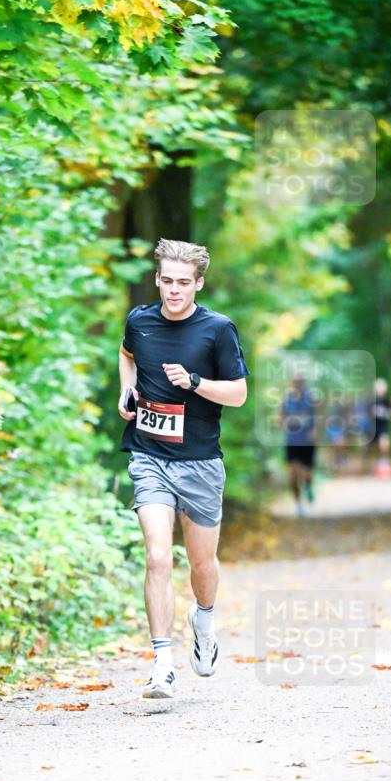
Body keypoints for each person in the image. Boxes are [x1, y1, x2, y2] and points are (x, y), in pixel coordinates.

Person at [118, 238, 250, 699]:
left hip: (200, 462)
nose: (174, 291)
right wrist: (126, 391)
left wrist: (194, 383)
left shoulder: (217, 330)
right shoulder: (140, 321)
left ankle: (205, 620)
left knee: (201, 564)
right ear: (157, 279)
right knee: (156, 555)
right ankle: (162, 664)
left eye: (183, 283)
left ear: (198, 284)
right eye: (167, 281)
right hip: (149, 455)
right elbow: (127, 353)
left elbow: (238, 394)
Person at [280, 374, 317, 517]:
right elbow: (280, 418)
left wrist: (314, 431)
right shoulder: (287, 400)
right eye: (295, 382)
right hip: (292, 441)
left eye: (300, 382)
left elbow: (319, 416)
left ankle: (308, 485)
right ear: (291, 383)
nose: (298, 384)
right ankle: (299, 504)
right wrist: (285, 423)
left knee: (307, 474)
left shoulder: (311, 398)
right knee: (293, 476)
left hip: (307, 442)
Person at [371, 378, 391, 478]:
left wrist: (383, 413)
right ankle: (377, 466)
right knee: (375, 447)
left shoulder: (388, 400)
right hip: (374, 427)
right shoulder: (372, 399)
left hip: (384, 426)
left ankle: (385, 463)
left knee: (384, 444)